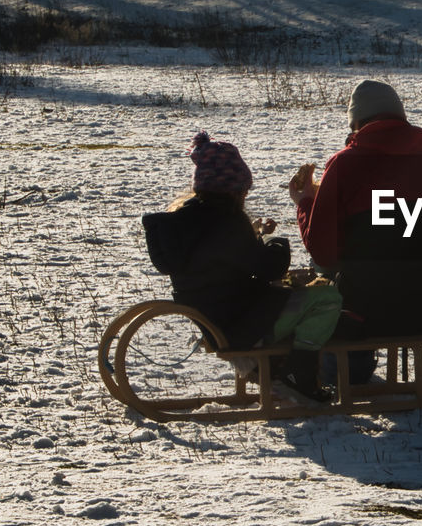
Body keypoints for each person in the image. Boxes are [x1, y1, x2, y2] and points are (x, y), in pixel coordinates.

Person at [288, 81, 422, 383]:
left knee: (324, 275)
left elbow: (323, 251)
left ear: (356, 123)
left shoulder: (345, 164)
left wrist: (306, 202)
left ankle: (339, 374)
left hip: (363, 314)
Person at [142, 131, 341, 395]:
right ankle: (298, 369)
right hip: (243, 327)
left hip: (216, 324)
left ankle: (273, 367)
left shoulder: (181, 221)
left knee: (296, 295)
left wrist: (254, 234)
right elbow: (270, 267)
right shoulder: (228, 222)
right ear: (235, 189)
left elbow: (223, 261)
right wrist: (276, 241)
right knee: (327, 297)